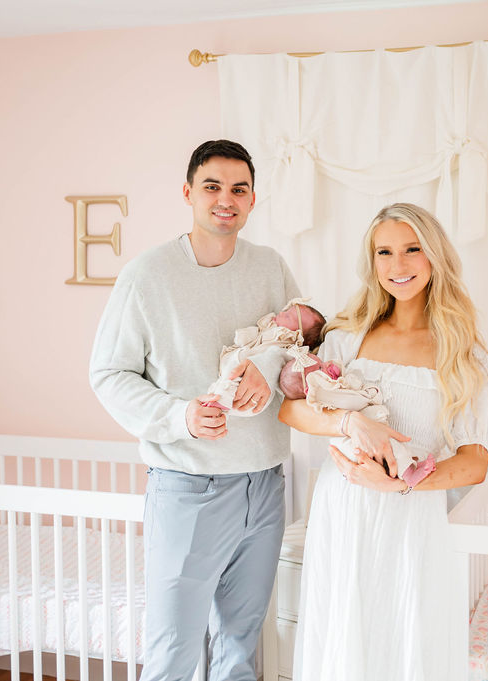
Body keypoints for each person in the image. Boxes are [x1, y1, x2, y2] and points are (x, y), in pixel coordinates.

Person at [89, 139, 301, 681]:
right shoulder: (147, 275)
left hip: (265, 482)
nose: (225, 199)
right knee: (174, 653)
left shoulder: (271, 267)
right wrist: (180, 416)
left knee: (240, 646)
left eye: (239, 189)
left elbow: (301, 342)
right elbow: (108, 375)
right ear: (188, 193)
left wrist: (269, 362)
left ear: (253, 200)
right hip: (189, 485)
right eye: (212, 187)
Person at [279, 202, 488, 681]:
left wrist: (400, 485)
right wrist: (351, 424)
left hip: (411, 515)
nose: (397, 266)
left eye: (411, 250)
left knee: (403, 637)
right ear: (372, 261)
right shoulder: (346, 336)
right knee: (342, 635)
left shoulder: (462, 353)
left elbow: (475, 461)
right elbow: (292, 409)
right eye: (384, 252)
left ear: (434, 256)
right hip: (341, 510)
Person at [279, 352, 438, 487]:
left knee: (388, 446)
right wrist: (365, 401)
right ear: (309, 387)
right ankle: (409, 474)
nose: (327, 364)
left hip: (360, 438)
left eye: (322, 362)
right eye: (320, 368)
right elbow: (352, 401)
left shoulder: (328, 386)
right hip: (350, 443)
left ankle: (409, 467)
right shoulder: (323, 393)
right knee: (389, 447)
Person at [205, 301, 326, 415]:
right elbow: (256, 335)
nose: (282, 313)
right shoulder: (269, 328)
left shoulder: (291, 349)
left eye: (288, 317)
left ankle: (221, 402)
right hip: (243, 357)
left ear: (299, 333)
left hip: (252, 376)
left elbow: (285, 366)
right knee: (231, 372)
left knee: (236, 383)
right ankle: (218, 396)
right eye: (286, 311)